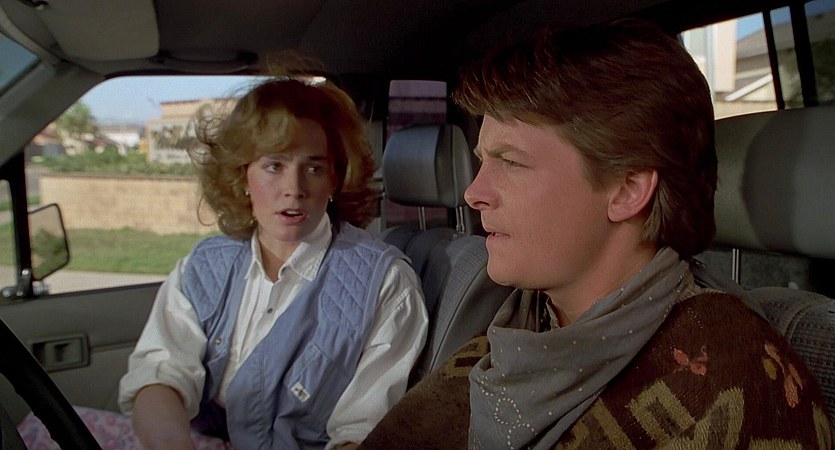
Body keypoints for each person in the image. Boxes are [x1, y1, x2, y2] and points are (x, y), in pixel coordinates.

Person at [359, 18, 834, 449]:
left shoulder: (732, 383)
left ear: (627, 190)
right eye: (483, 160)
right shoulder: (522, 325)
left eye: (512, 162)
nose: (474, 193)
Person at [112, 75, 427, 449]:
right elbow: (160, 375)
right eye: (274, 166)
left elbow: (362, 432)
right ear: (243, 175)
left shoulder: (386, 283)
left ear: (334, 180)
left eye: (314, 168)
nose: (294, 189)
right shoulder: (204, 268)